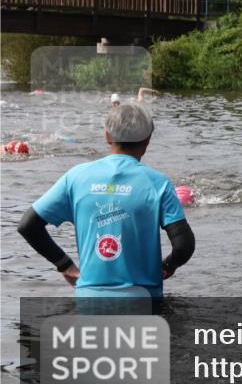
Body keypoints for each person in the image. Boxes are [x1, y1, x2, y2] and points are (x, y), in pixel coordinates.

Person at [17, 103, 195, 297]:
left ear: (107, 136)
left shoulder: (76, 177)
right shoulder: (158, 183)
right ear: (148, 140)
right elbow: (184, 245)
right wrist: (168, 265)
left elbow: (28, 226)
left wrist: (65, 265)